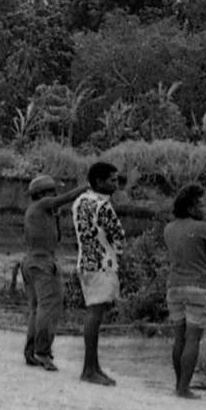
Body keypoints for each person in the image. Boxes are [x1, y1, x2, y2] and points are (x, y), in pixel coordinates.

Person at [20, 174, 85, 371]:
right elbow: (67, 198)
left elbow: (57, 237)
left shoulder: (37, 211)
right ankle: (42, 352)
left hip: (32, 262)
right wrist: (88, 187)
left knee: (36, 309)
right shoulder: (42, 205)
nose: (55, 195)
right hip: (43, 263)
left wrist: (56, 216)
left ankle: (32, 351)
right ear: (42, 194)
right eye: (52, 192)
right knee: (48, 308)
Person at [70, 162, 127, 386]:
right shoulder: (103, 206)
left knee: (93, 312)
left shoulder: (80, 202)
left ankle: (93, 367)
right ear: (100, 182)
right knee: (95, 314)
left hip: (85, 261)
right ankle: (89, 369)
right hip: (102, 262)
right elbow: (118, 236)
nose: (116, 184)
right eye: (112, 180)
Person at [162, 184, 206, 399]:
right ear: (191, 208)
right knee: (193, 339)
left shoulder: (168, 229)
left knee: (179, 339)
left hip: (174, 287)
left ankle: (179, 384)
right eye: (201, 205)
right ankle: (185, 388)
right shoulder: (204, 228)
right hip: (200, 287)